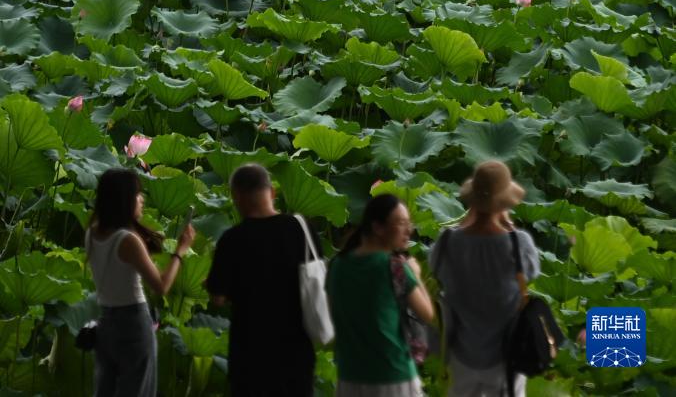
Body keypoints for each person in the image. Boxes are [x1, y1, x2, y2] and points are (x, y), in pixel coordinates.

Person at [430, 161, 540, 397]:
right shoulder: (518, 243)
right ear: (504, 203)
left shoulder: (447, 242)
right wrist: (510, 227)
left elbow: (436, 270)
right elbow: (530, 274)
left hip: (461, 353)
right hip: (508, 353)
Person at [206, 163, 316, 397]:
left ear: (236, 197)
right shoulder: (302, 229)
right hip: (296, 351)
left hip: (250, 355)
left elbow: (217, 297)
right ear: (272, 192)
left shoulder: (232, 240)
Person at [86, 168, 195, 397]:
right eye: (137, 194)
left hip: (106, 324)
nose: (142, 199)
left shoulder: (92, 234)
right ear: (124, 199)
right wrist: (180, 250)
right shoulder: (127, 240)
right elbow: (161, 286)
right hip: (133, 325)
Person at [327, 193, 435, 397]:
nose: (409, 230)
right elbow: (427, 313)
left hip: (350, 376)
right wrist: (416, 274)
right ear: (378, 227)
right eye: (401, 223)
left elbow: (333, 314)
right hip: (393, 375)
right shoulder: (395, 267)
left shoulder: (338, 265)